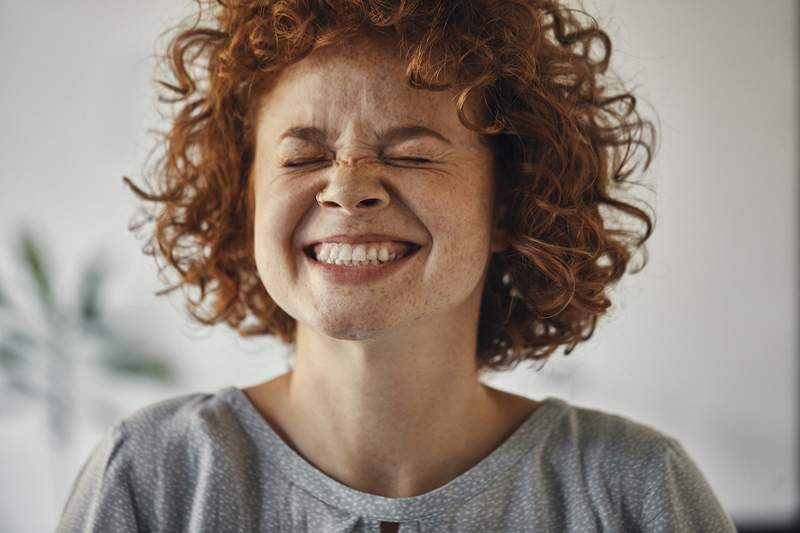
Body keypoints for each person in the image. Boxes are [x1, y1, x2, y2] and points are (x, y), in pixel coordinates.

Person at [57, 0, 737, 531]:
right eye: (302, 157)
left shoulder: (638, 492)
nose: (348, 186)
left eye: (413, 152)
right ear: (247, 198)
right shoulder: (149, 481)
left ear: (509, 204)